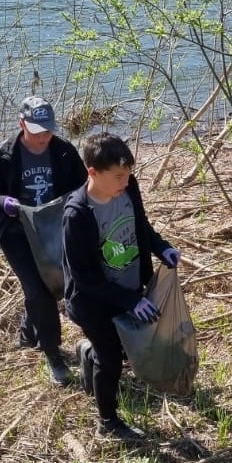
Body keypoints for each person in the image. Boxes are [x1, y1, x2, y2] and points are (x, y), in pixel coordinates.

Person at [62, 131, 180, 443]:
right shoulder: (77, 215)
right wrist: (130, 301)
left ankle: (89, 354)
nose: (125, 182)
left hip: (126, 289)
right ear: (92, 172)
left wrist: (161, 247)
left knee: (126, 349)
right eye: (117, 176)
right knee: (112, 358)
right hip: (92, 301)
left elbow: (141, 226)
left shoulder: (129, 187)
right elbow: (84, 278)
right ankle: (108, 422)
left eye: (128, 174)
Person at [0, 95, 87, 386]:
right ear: (22, 125)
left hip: (52, 227)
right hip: (16, 233)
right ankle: (52, 353)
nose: (43, 137)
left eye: (48, 130)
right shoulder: (4, 155)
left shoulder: (63, 151)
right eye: (37, 131)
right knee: (38, 289)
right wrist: (2, 202)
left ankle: (28, 331)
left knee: (56, 283)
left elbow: (82, 188)